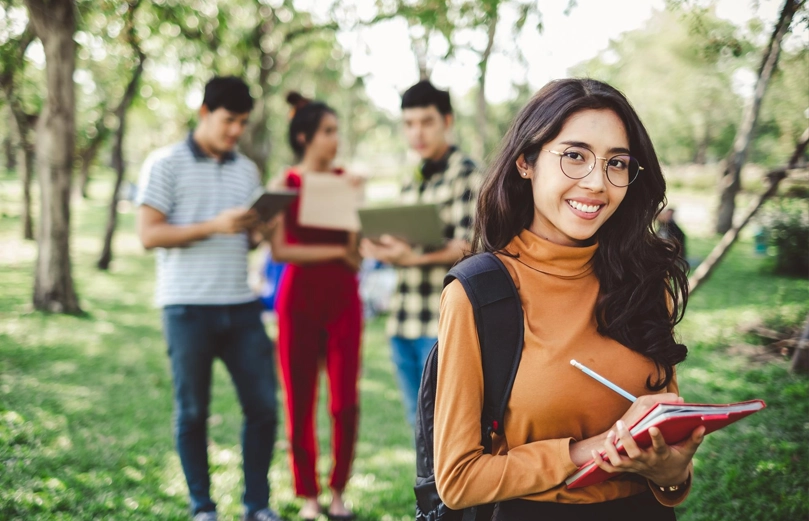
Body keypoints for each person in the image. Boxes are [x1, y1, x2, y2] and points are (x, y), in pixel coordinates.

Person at [432, 78, 703, 520]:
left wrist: (671, 473)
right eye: (575, 156)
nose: (597, 182)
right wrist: (593, 450)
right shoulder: (478, 294)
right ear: (526, 161)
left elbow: (670, 467)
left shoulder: (645, 282)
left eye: (617, 163)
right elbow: (458, 480)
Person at [136, 77, 281, 521]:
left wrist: (261, 230)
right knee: (193, 411)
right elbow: (149, 234)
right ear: (204, 113)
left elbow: (246, 240)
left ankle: (257, 506)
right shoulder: (164, 163)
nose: (236, 130)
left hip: (241, 306)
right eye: (228, 120)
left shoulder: (246, 171)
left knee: (263, 407)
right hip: (186, 308)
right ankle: (203, 507)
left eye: (242, 122)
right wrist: (214, 225)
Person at [359, 80, 482, 428]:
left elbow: (474, 246)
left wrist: (411, 258)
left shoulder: (469, 176)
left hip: (442, 323)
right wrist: (380, 247)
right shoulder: (411, 179)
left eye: (426, 122)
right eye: (409, 123)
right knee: (418, 429)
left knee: (445, 430)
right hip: (402, 319)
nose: (417, 132)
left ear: (447, 121)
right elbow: (408, 241)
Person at [270, 92, 362, 521]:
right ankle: (308, 495)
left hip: (344, 301)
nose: (335, 139)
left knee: (345, 403)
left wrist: (354, 210)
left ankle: (338, 490)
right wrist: (336, 252)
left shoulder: (347, 181)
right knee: (299, 401)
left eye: (336, 131)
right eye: (327, 131)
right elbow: (281, 250)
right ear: (304, 137)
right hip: (298, 302)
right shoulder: (285, 184)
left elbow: (355, 257)